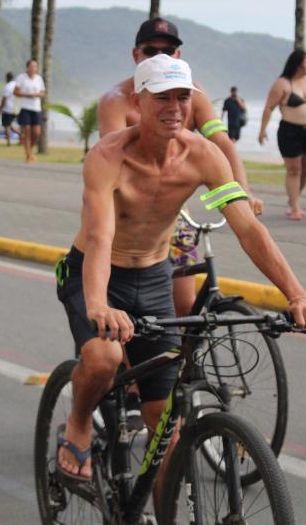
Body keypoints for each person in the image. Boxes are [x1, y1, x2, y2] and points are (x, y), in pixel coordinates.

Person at [55, 55, 306, 495]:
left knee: (168, 434)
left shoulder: (202, 155)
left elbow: (247, 228)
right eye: (162, 97)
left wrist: (296, 294)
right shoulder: (107, 156)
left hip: (154, 277)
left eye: (183, 97)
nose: (175, 107)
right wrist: (100, 304)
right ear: (139, 101)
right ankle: (80, 422)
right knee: (103, 359)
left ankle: (161, 520)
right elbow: (101, 237)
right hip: (96, 273)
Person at [98, 16, 263, 319]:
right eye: (151, 51)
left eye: (169, 50)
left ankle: (184, 363)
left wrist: (244, 191)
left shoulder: (194, 95)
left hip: (175, 216)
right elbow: (113, 161)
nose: (161, 56)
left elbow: (222, 143)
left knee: (185, 308)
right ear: (136, 55)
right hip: (127, 220)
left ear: (179, 56)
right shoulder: (117, 101)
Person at [259, 49, 306, 220]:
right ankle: (295, 206)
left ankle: (293, 199)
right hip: (290, 130)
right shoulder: (283, 83)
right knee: (294, 169)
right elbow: (269, 107)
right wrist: (262, 130)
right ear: (297, 64)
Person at [14, 59, 46, 163]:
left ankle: (30, 149)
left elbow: (43, 93)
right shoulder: (21, 78)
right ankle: (28, 154)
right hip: (25, 108)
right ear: (27, 67)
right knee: (27, 131)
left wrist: (37, 95)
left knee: (36, 133)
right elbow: (16, 92)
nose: (33, 68)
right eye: (32, 66)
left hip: (36, 108)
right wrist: (28, 95)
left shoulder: (39, 79)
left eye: (35, 66)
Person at [0, 71, 18, 146]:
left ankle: (8, 142)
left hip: (8, 109)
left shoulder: (8, 86)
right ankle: (21, 135)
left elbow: (4, 99)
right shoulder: (17, 85)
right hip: (16, 108)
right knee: (10, 125)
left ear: (7, 78)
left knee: (7, 126)